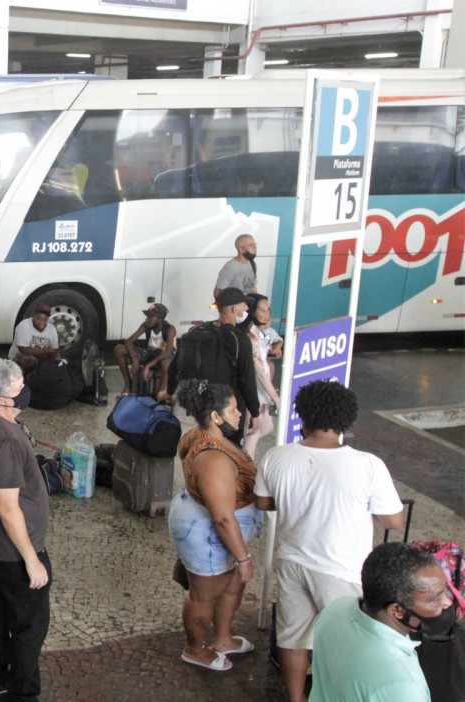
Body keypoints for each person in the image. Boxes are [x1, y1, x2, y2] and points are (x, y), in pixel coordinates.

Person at [254, 380, 406, 702]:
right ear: (345, 421)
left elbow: (264, 503)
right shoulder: (368, 465)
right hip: (340, 569)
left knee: (293, 637)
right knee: (351, 643)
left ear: (302, 416)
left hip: (291, 562)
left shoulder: (276, 457)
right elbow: (394, 519)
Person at [0, 358, 51, 701]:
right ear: (1, 400)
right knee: (31, 622)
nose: (25, 394)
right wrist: (32, 559)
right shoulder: (3, 438)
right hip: (14, 550)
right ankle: (24, 690)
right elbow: (6, 506)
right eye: (18, 391)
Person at [168, 379, 263, 671]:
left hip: (212, 525)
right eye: (233, 410)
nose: (239, 414)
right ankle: (195, 649)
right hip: (208, 532)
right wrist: (244, 557)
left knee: (231, 584)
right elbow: (222, 517)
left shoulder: (199, 434)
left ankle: (222, 638)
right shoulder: (212, 458)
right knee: (204, 593)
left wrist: (254, 440)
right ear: (215, 416)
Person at [309, 542, 449, 702]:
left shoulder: (335, 609)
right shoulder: (403, 685)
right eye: (436, 598)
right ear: (397, 610)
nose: (447, 602)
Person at [180, 287, 259, 444]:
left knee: (205, 443)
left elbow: (178, 365)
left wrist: (171, 392)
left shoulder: (198, 332)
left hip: (203, 403)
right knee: (229, 449)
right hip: (230, 406)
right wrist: (255, 413)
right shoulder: (240, 339)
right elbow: (247, 379)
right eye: (244, 305)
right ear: (234, 309)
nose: (246, 309)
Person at [238, 293, 281, 459]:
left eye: (268, 309)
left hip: (261, 389)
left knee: (266, 427)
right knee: (253, 433)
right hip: (253, 388)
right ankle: (246, 476)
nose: (267, 313)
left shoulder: (257, 332)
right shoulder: (250, 336)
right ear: (251, 311)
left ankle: (240, 446)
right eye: (262, 309)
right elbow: (260, 370)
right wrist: (275, 396)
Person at [114, 303, 175, 401]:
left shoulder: (170, 329)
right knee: (119, 349)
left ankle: (161, 393)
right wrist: (135, 359)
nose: (147, 320)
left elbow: (168, 352)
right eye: (147, 317)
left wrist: (148, 366)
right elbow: (129, 341)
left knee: (166, 362)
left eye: (151, 317)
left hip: (162, 356)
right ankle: (128, 385)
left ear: (160, 319)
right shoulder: (146, 325)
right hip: (148, 353)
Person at [8, 303, 60, 375]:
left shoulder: (52, 329)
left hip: (40, 357)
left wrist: (56, 359)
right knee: (31, 361)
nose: (42, 322)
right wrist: (45, 351)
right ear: (34, 316)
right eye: (39, 319)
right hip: (19, 356)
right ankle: (20, 380)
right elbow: (23, 349)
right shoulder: (24, 325)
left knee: (57, 364)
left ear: (48, 319)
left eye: (45, 319)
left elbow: (55, 350)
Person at [213, 233, 258, 301]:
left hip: (249, 306)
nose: (255, 248)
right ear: (241, 249)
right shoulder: (230, 267)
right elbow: (217, 292)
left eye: (255, 244)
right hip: (236, 308)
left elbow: (253, 287)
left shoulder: (252, 263)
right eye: (251, 245)